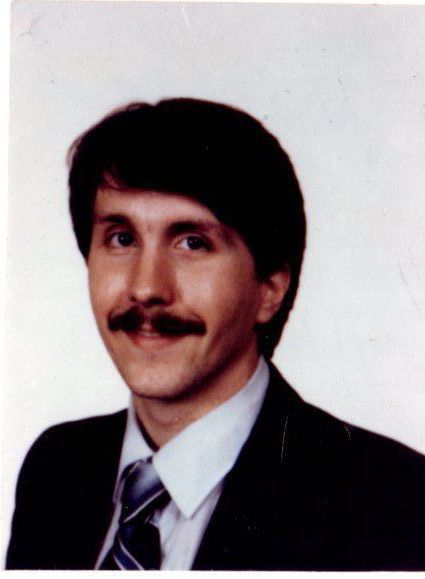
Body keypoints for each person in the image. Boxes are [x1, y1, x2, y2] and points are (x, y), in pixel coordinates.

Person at [6, 98, 425, 571]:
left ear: (269, 289)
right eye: (122, 238)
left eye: (192, 243)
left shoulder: (392, 502)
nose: (146, 288)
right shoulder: (58, 469)